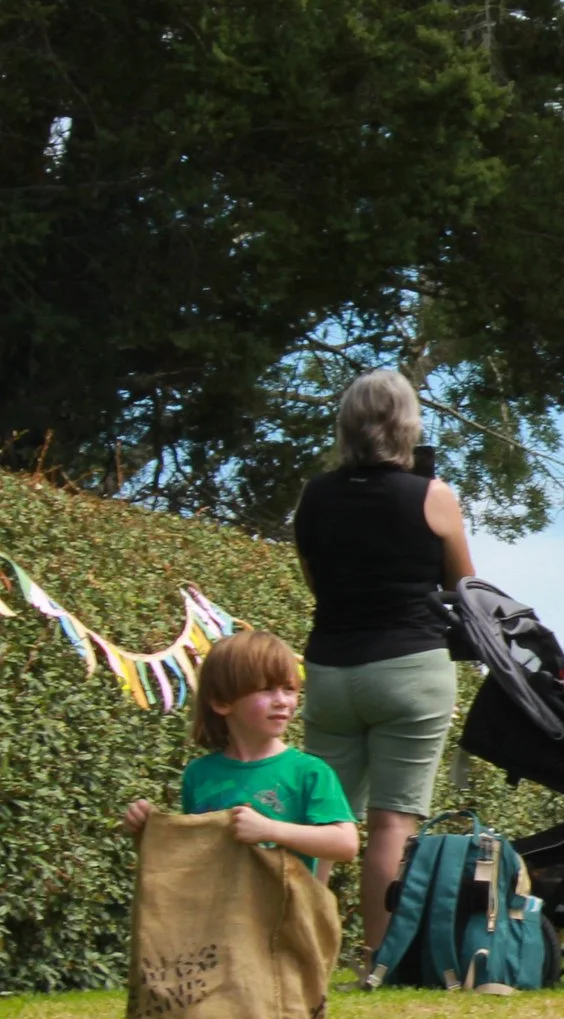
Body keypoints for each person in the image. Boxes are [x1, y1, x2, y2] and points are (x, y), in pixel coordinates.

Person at [293, 369, 474, 954]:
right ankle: (378, 956)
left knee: (320, 823)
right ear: (407, 426)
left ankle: (293, 951)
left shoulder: (313, 497)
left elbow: (316, 581)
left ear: (345, 425)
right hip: (410, 667)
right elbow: (466, 587)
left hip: (329, 668)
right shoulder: (433, 496)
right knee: (391, 823)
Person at [124, 630, 360, 879]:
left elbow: (345, 843)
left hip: (283, 913)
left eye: (289, 689)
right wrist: (147, 829)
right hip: (217, 911)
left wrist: (270, 830)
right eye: (266, 689)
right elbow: (193, 856)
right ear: (222, 702)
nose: (282, 701)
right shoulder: (199, 774)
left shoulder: (309, 772)